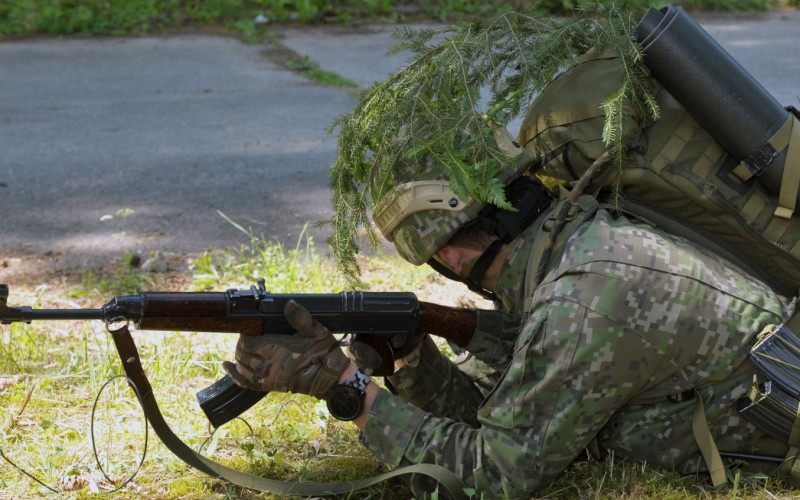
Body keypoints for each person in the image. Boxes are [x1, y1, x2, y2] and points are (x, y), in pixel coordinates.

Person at [223, 48, 797, 497]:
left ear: (446, 255)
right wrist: (411, 361)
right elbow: (499, 413)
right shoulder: (578, 238)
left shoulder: (580, 302)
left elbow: (492, 477)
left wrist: (347, 391)